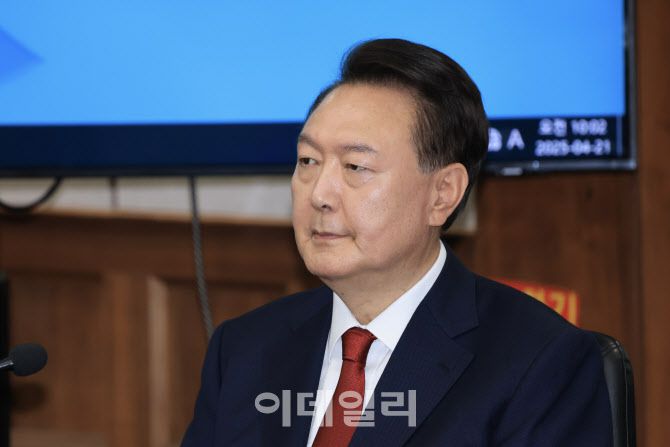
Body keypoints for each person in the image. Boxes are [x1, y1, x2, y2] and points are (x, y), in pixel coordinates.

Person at [182, 39, 612, 446]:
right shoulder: (244, 349)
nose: (319, 194)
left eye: (355, 166)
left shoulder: (539, 363)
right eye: (308, 161)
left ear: (442, 194)